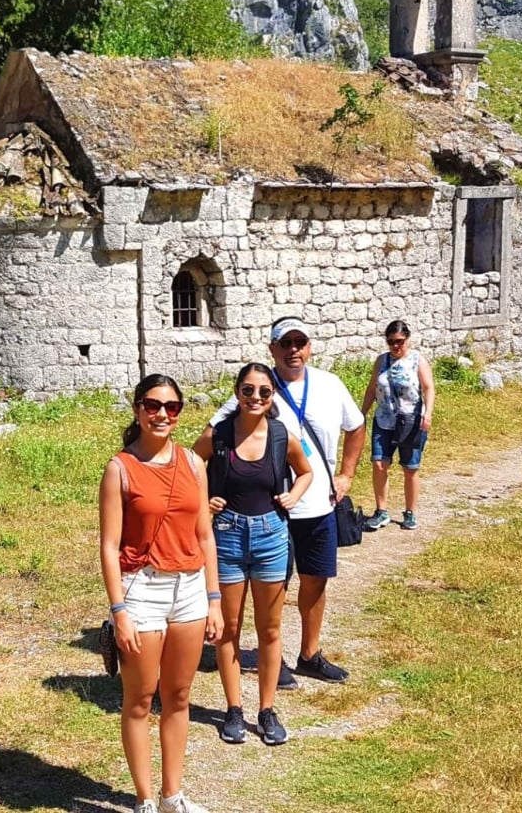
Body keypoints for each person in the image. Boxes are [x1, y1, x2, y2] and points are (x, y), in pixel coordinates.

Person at [201, 316, 366, 689]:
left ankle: (309, 654)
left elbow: (355, 426)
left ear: (308, 347)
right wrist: (208, 492)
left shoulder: (329, 384)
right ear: (272, 349)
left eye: (300, 342)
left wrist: (346, 475)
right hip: (271, 511)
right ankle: (269, 657)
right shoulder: (257, 388)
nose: (294, 350)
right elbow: (212, 437)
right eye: (285, 343)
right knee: (274, 586)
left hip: (318, 504)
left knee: (316, 580)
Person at [99, 374, 223, 813]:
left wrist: (214, 600)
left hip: (189, 587)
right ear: (137, 409)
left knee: (179, 696)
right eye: (153, 405)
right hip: (142, 589)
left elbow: (205, 537)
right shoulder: (120, 469)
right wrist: (119, 611)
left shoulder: (193, 464)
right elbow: (109, 547)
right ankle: (145, 800)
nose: (162, 414)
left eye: (172, 407)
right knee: (139, 699)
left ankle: (173, 795)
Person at [193, 363, 312, 746]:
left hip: (270, 537)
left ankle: (266, 709)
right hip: (226, 535)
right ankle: (233, 709)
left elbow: (305, 471)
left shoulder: (281, 436)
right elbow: (189, 467)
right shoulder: (219, 434)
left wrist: (295, 494)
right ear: (236, 392)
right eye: (248, 390)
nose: (255, 398)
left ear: (272, 395)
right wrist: (201, 501)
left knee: (270, 628)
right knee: (227, 628)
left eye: (263, 391)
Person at [360, 319, 436, 532]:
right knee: (378, 463)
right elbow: (372, 388)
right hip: (384, 420)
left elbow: (429, 388)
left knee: (410, 468)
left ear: (407, 340)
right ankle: (381, 510)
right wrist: (361, 414)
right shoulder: (381, 361)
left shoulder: (417, 360)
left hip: (411, 421)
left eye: (400, 341)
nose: (396, 346)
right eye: (391, 341)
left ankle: (410, 512)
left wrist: (427, 414)